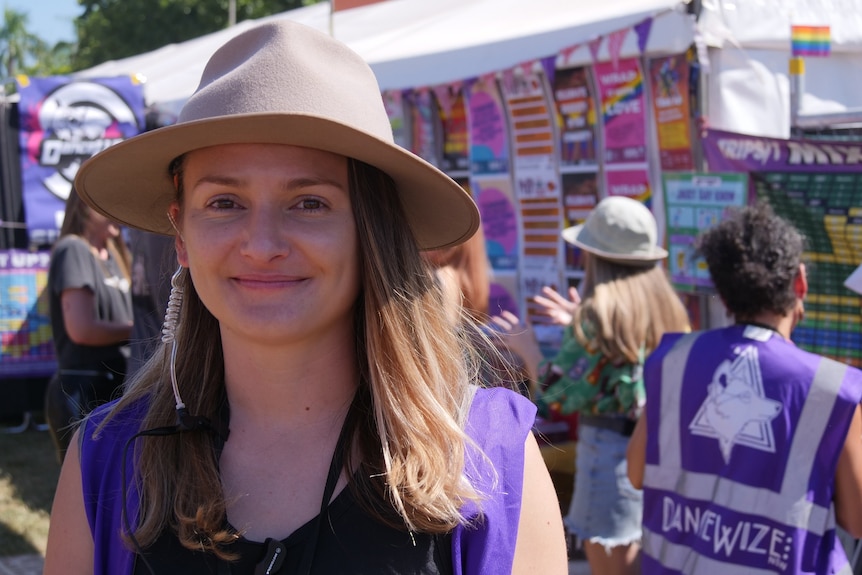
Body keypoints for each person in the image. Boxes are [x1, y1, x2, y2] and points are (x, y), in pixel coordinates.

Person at [43, 20, 567, 575]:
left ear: (372, 231)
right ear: (181, 237)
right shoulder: (106, 459)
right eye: (224, 202)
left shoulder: (488, 457)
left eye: (309, 203)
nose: (262, 245)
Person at [626, 203, 862, 574]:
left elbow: (637, 473)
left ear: (721, 292)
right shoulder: (831, 388)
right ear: (800, 281)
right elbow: (857, 519)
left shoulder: (673, 361)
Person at [492, 195, 691, 575]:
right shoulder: (669, 308)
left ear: (594, 257)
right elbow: (629, 368)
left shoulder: (597, 314)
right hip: (657, 452)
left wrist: (528, 349)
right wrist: (580, 326)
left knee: (611, 566)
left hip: (609, 455)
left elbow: (558, 395)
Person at [44, 186, 133, 464]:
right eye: (111, 205)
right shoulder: (74, 249)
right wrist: (141, 331)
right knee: (88, 495)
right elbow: (82, 330)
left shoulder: (116, 256)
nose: (119, 214)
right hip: (84, 392)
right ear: (86, 206)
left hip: (118, 387)